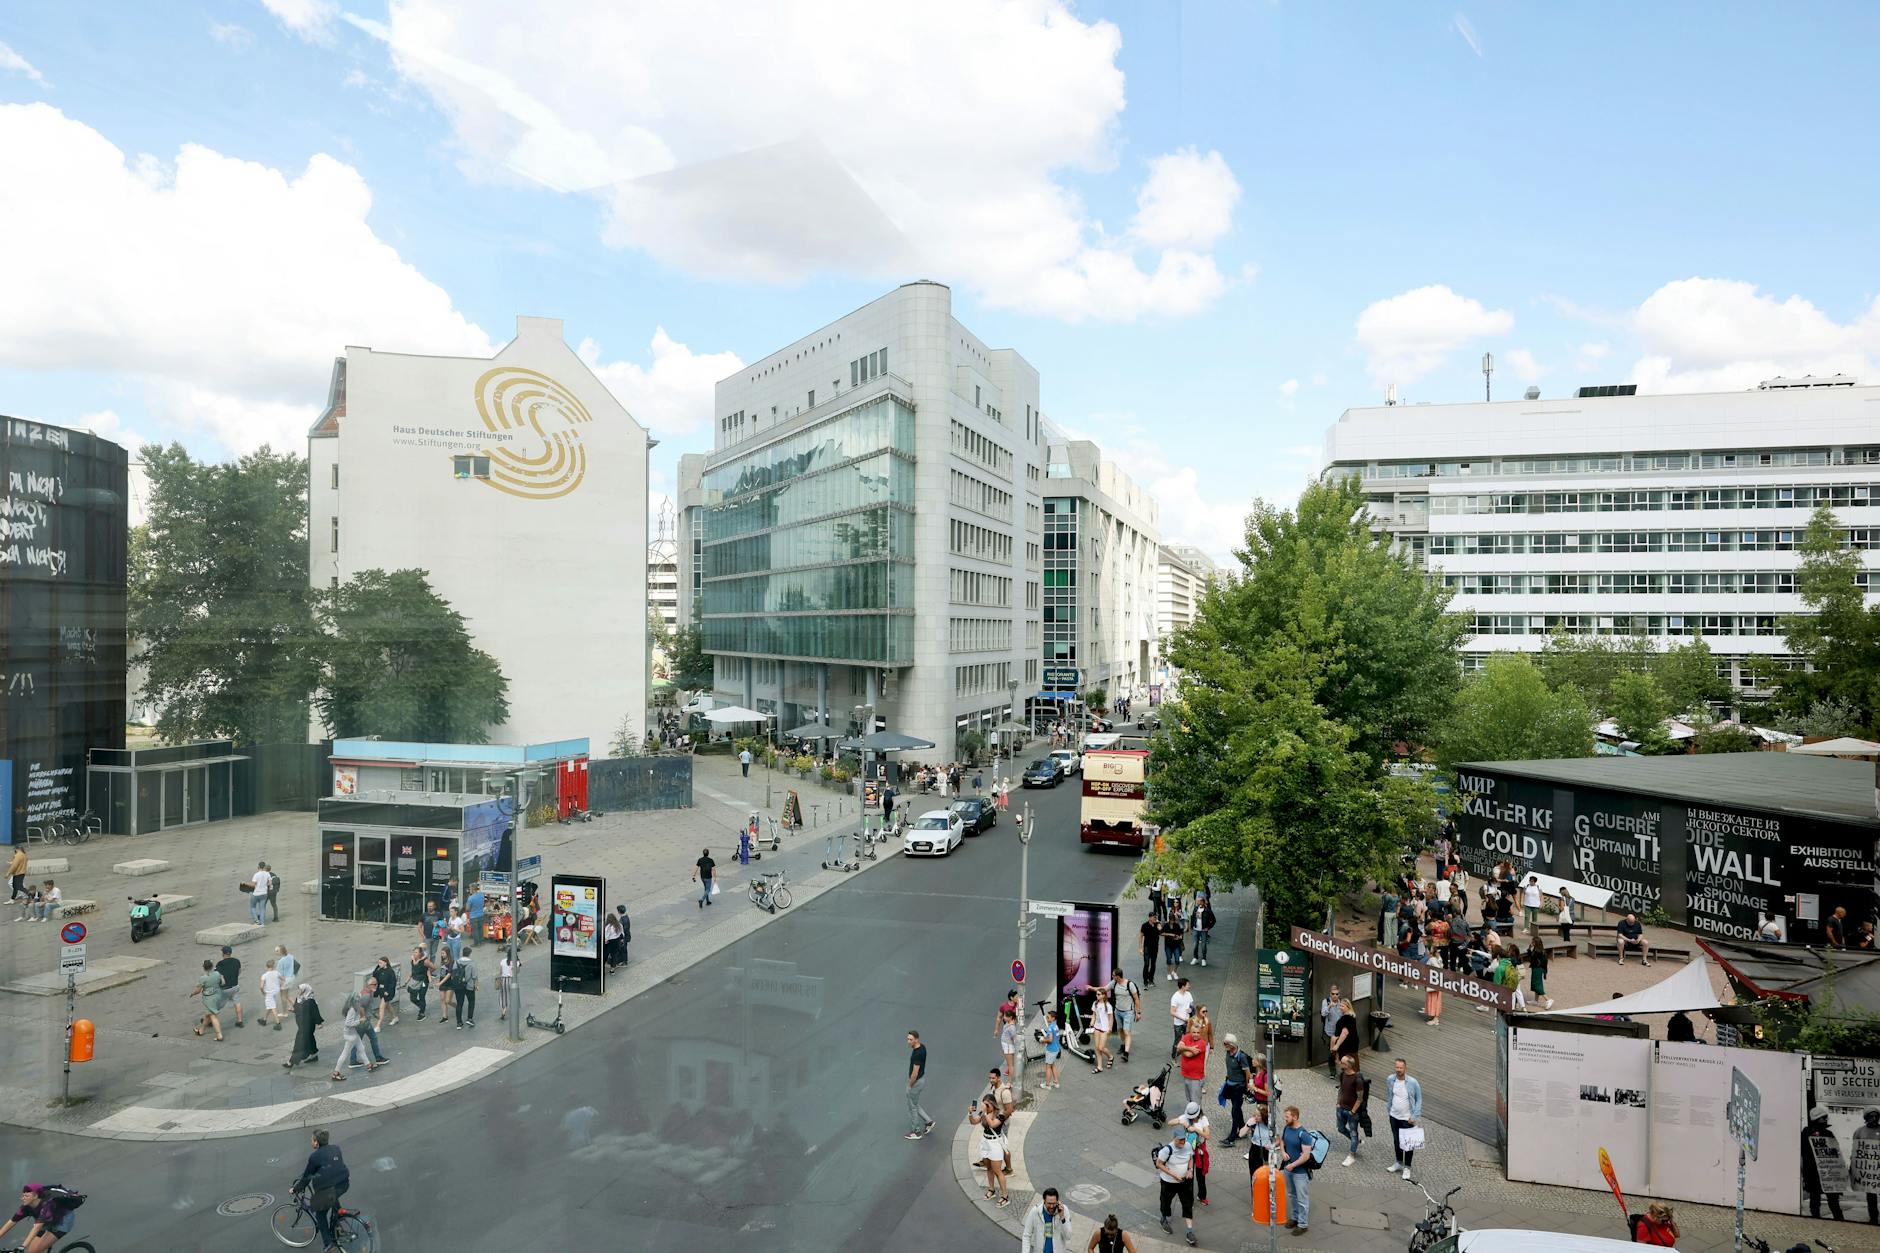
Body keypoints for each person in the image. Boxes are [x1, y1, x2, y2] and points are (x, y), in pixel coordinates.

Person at [293, 1128, 350, 1252]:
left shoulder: (314, 1157)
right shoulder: (336, 1148)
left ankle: (328, 1244)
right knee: (333, 1198)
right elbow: (331, 1166)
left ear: (316, 1142)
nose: (311, 1142)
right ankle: (339, 1225)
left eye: (312, 1140)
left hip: (329, 1189)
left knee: (320, 1214)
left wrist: (296, 1189)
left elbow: (306, 1178)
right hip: (344, 1184)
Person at [0, 1184, 81, 1253]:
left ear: (35, 1196)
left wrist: (22, 1246)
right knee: (31, 1251)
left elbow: (37, 1228)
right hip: (46, 1221)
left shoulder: (47, 1204)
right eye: (23, 1196)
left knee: (34, 1251)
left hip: (62, 1221)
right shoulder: (26, 1207)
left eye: (27, 1196)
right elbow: (11, 1222)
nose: (23, 1198)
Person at [1153, 1125, 1199, 1246]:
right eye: (1180, 1140)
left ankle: (1189, 1232)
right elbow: (1159, 1164)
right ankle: (1164, 1218)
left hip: (1184, 1181)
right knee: (1165, 1201)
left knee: (1188, 1204)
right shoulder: (1166, 1150)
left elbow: (1191, 1158)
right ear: (1174, 1139)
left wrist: (1190, 1170)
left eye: (1184, 1139)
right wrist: (1173, 1174)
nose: (1183, 1142)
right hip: (1169, 1182)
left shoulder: (1188, 1146)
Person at [970, 1093, 1011, 1207]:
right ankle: (991, 1189)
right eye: (984, 1105)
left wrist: (985, 1113)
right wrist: (970, 1113)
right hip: (985, 1141)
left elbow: (993, 1125)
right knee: (989, 1168)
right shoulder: (984, 1113)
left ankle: (1005, 1196)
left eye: (987, 1105)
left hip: (995, 1143)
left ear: (993, 1104)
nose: (985, 1107)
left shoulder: (1000, 1114)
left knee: (997, 1171)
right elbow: (973, 1122)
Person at [1385, 1058, 1422, 1182]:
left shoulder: (1413, 1082)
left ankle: (1407, 1167)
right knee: (1397, 1141)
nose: (1398, 1070)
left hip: (1407, 1119)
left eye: (1401, 1068)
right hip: (1394, 1116)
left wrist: (1414, 1116)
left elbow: (1419, 1099)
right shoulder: (1390, 1079)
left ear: (1405, 1068)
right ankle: (1399, 1162)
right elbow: (1390, 1095)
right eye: (1397, 1067)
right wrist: (1389, 1110)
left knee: (1408, 1144)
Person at [1278, 1104, 1313, 1235]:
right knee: (1292, 1195)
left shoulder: (1304, 1134)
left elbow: (1306, 1156)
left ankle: (1303, 1224)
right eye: (1285, 1116)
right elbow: (1282, 1141)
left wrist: (1293, 1165)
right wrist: (1283, 1151)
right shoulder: (1287, 1128)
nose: (1285, 1119)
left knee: (1302, 1199)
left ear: (1295, 1117)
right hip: (1288, 1169)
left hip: (1300, 1173)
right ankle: (1295, 1218)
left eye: (1287, 1117)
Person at [1219, 1034, 1251, 1144]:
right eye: (1224, 1043)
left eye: (1226, 1043)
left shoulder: (1241, 1057)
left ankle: (1232, 1138)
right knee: (1237, 1109)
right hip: (1230, 1085)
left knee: (1235, 1111)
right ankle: (1242, 1129)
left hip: (1239, 1087)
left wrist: (1247, 1087)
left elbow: (1247, 1073)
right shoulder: (1228, 1053)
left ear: (1232, 1044)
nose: (1224, 1045)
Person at [1021, 1187, 1072, 1253]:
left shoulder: (1064, 1210)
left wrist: (1062, 1217)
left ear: (1057, 1201)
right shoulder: (1035, 1211)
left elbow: (1068, 1236)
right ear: (1044, 1200)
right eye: (1049, 1203)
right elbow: (1026, 1235)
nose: (1051, 1206)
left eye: (1054, 1203)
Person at [1336, 1055, 1366, 1167]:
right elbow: (1341, 1089)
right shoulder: (1343, 1074)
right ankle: (1356, 1141)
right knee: (1341, 1129)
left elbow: (1360, 1098)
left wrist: (1353, 1111)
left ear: (1348, 1065)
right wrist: (1338, 1103)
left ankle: (1351, 1155)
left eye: (1342, 1062)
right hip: (1341, 1108)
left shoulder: (1357, 1079)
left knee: (1353, 1133)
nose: (1340, 1063)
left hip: (1352, 1112)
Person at [904, 1030, 934, 1140]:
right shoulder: (922, 1047)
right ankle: (928, 1121)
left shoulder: (917, 1054)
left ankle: (916, 1132)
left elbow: (915, 1073)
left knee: (912, 1107)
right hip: (921, 1080)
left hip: (916, 1082)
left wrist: (910, 1085)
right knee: (915, 1104)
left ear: (916, 1039)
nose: (908, 1041)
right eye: (908, 1039)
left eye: (911, 1039)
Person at [285, 984, 323, 1069]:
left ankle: (291, 1061)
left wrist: (319, 1023)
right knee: (310, 1038)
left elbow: (315, 1012)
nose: (298, 991)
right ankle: (314, 1055)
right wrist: (293, 1009)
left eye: (300, 989)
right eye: (298, 989)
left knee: (300, 1042)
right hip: (302, 1024)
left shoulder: (310, 1001)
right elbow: (299, 1009)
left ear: (305, 990)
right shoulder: (299, 999)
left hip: (307, 1025)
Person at [1108, 967, 1140, 1064]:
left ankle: (1126, 1053)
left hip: (1128, 1012)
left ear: (1118, 976)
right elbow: (1104, 989)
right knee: (1120, 1030)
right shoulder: (1114, 983)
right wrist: (1092, 988)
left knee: (1127, 1031)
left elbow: (1136, 999)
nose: (1112, 976)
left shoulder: (1130, 984)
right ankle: (1123, 1045)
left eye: (1113, 975)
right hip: (1118, 1011)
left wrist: (1138, 1012)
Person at [190, 958, 226, 1041]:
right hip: (218, 995)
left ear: (204, 967)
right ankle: (201, 1031)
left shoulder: (203, 978)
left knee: (213, 1016)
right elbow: (223, 983)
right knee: (208, 1015)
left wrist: (192, 993)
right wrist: (222, 977)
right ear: (212, 966)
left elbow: (198, 991)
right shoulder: (217, 973)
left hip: (209, 999)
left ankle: (219, 1035)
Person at [1177, 1017, 1206, 1108]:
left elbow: (1188, 1055)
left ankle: (1198, 1115)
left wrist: (1182, 1049)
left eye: (1198, 1033)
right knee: (1189, 1099)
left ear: (1201, 1033)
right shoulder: (1187, 1037)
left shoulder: (1202, 1043)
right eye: (1194, 1032)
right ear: (1190, 1032)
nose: (1196, 1034)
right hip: (1186, 1075)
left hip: (1196, 1078)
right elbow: (1178, 1047)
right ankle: (1191, 1114)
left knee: (1196, 1102)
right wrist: (1189, 1048)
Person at [215, 944, 246, 1029]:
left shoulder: (220, 964)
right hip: (235, 986)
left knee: (215, 1006)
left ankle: (210, 1020)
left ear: (223, 953)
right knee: (237, 1003)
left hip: (225, 989)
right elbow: (239, 971)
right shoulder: (237, 961)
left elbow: (218, 976)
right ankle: (240, 1021)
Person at [1168, 977, 1194, 1061]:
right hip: (1179, 1023)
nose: (1189, 986)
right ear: (1183, 986)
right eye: (1188, 985)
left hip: (1188, 1021)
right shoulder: (1175, 997)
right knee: (1178, 1040)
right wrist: (1183, 1018)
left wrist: (1190, 1010)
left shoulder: (1188, 994)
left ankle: (1187, 1053)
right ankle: (1174, 1056)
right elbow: (1172, 1012)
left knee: (1189, 1038)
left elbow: (1191, 1006)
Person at [1319, 985, 1343, 1080]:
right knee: (1331, 1053)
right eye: (1333, 994)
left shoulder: (1342, 1002)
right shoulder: (1326, 1001)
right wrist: (1329, 1007)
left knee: (1341, 1052)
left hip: (1340, 1033)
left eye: (1337, 994)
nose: (1335, 996)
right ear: (1330, 994)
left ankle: (1343, 1071)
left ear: (1339, 994)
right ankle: (1332, 1072)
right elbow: (1323, 1013)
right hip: (1329, 1032)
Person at [1090, 986, 1115, 1072]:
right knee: (1097, 1048)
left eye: (1099, 994)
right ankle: (1099, 1067)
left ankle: (1110, 1056)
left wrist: (1110, 1028)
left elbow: (1111, 1018)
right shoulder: (1095, 1003)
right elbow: (1094, 1015)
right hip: (1097, 1027)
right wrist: (1092, 1023)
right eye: (1096, 994)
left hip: (1105, 1029)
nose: (1097, 995)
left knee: (1101, 1047)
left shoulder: (1108, 1006)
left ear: (1104, 995)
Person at [1525, 935, 1553, 1011]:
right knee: (1535, 984)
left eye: (1533, 942)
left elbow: (1531, 958)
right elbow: (1531, 957)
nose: (1531, 943)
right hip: (1536, 968)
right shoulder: (1537, 950)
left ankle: (1548, 1000)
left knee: (1536, 985)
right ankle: (1535, 1001)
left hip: (1537, 969)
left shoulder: (1538, 952)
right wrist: (1529, 948)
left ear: (1536, 943)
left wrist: (1529, 949)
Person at [372, 956, 399, 1029]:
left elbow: (393, 983)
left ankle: (378, 1026)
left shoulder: (390, 971)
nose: (379, 964)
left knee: (382, 1007)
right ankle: (395, 1017)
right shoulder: (380, 970)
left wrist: (388, 991)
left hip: (387, 992)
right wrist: (378, 967)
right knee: (388, 1005)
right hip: (381, 991)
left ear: (385, 963)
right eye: (378, 963)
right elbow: (374, 974)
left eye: (380, 963)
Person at [453, 951, 479, 1028]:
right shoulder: (472, 963)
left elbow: (453, 973)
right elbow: (474, 976)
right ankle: (469, 1018)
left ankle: (459, 1023)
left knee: (459, 1004)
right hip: (469, 985)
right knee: (471, 1001)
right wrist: (476, 985)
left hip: (458, 985)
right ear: (469, 954)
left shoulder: (456, 962)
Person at [407, 946, 432, 1021]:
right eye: (414, 952)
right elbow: (412, 970)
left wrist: (428, 973)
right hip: (415, 981)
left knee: (422, 997)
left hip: (423, 981)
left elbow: (434, 967)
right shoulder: (412, 960)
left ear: (420, 953)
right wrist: (407, 981)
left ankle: (422, 1013)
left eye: (416, 952)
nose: (414, 953)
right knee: (413, 998)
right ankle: (422, 1007)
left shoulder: (425, 961)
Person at [1190, 892, 1215, 967]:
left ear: (1203, 902)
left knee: (1203, 945)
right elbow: (1193, 917)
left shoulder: (1207, 910)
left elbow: (1213, 920)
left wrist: (1208, 927)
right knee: (1195, 945)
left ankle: (1204, 959)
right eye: (1197, 901)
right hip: (1196, 929)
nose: (1198, 902)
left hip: (1203, 930)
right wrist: (1191, 927)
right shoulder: (1195, 909)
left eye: (1199, 901)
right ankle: (1195, 958)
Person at [1041, 1006, 1063, 1088]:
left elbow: (1050, 1040)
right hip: (1056, 1048)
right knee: (1052, 1065)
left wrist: (1042, 1040)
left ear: (1053, 1018)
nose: (1047, 1018)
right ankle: (1056, 1082)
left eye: (1048, 1017)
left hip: (1051, 1050)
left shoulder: (1050, 1027)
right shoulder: (1055, 1026)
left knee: (1048, 1067)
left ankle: (1047, 1085)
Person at [261, 957, 286, 1030]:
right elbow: (283, 979)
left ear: (266, 966)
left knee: (273, 1007)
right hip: (276, 991)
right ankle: (264, 1019)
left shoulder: (264, 975)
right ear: (273, 966)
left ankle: (278, 1023)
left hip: (269, 993)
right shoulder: (276, 973)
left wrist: (263, 992)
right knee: (270, 1005)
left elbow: (261, 986)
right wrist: (281, 985)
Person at [1139, 911, 1160, 986]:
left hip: (1155, 947)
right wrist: (1140, 948)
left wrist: (1159, 928)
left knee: (1153, 964)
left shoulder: (1157, 924)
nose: (1155, 918)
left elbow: (1161, 932)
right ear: (1150, 917)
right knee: (1147, 964)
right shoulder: (1144, 925)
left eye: (1156, 917)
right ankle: (1145, 980)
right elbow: (1141, 936)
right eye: (1154, 917)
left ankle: (1151, 979)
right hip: (1147, 947)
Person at [248, 860, 272, 925]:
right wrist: (265, 885)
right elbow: (270, 883)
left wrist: (245, 883)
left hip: (256, 893)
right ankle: (262, 922)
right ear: (264, 867)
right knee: (262, 908)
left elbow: (253, 885)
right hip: (264, 894)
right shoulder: (267, 874)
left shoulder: (256, 875)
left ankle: (256, 920)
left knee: (253, 907)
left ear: (258, 867)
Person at [1000, 1008, 1019, 1081]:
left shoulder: (1012, 1027)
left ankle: (1010, 1081)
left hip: (1008, 1046)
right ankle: (1011, 1079)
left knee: (1010, 1065)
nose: (1004, 1017)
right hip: (1006, 1045)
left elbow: (1014, 1038)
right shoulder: (1008, 1023)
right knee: (1009, 1064)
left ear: (1010, 1017)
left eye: (1005, 1016)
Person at [466, 886, 486, 951]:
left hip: (473, 916)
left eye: (470, 889)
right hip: (481, 914)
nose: (469, 890)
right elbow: (483, 904)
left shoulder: (470, 898)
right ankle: (481, 942)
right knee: (480, 929)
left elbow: (467, 908)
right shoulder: (482, 895)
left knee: (475, 930)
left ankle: (476, 943)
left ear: (472, 889)